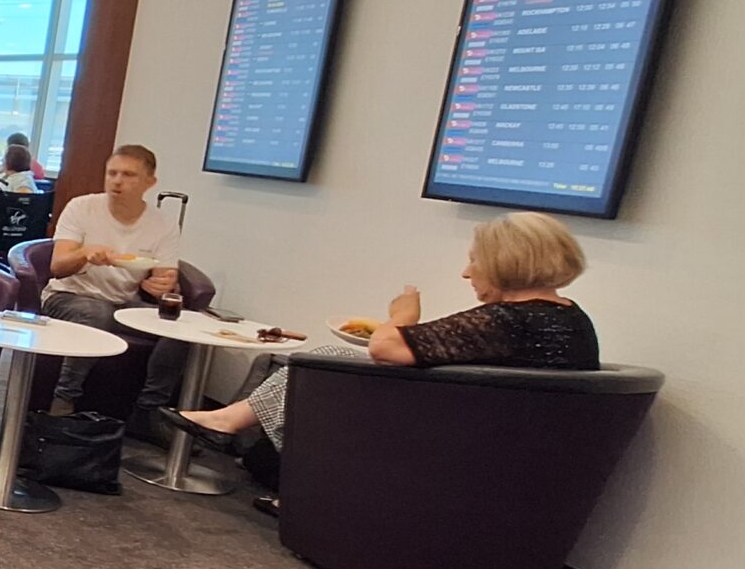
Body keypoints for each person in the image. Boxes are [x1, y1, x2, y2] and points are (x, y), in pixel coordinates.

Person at [163, 212, 599, 516]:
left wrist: (403, 312)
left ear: (507, 262)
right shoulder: (571, 318)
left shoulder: (505, 319)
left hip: (451, 449)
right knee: (330, 364)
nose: (468, 273)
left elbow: (386, 348)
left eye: (475, 260)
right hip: (504, 449)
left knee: (326, 361)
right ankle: (235, 427)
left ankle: (238, 430)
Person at [0, 145, 186, 466]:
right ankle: (63, 399)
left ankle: (149, 410)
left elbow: (167, 276)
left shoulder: (162, 224)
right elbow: (57, 266)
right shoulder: (82, 208)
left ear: (149, 183)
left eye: (128, 175)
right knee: (94, 313)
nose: (117, 181)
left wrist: (162, 285)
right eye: (112, 173)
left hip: (125, 304)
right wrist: (85, 254)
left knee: (178, 327)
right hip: (67, 297)